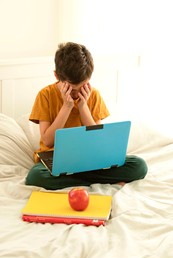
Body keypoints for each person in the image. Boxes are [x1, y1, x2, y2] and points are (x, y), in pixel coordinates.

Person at [25, 42, 148, 190]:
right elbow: (48, 140)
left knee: (139, 166)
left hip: (90, 158)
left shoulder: (93, 95)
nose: (76, 94)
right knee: (36, 176)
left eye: (82, 86)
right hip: (55, 158)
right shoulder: (45, 95)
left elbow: (98, 139)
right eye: (71, 89)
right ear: (57, 76)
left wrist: (83, 107)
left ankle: (79, 180)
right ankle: (99, 181)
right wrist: (67, 106)